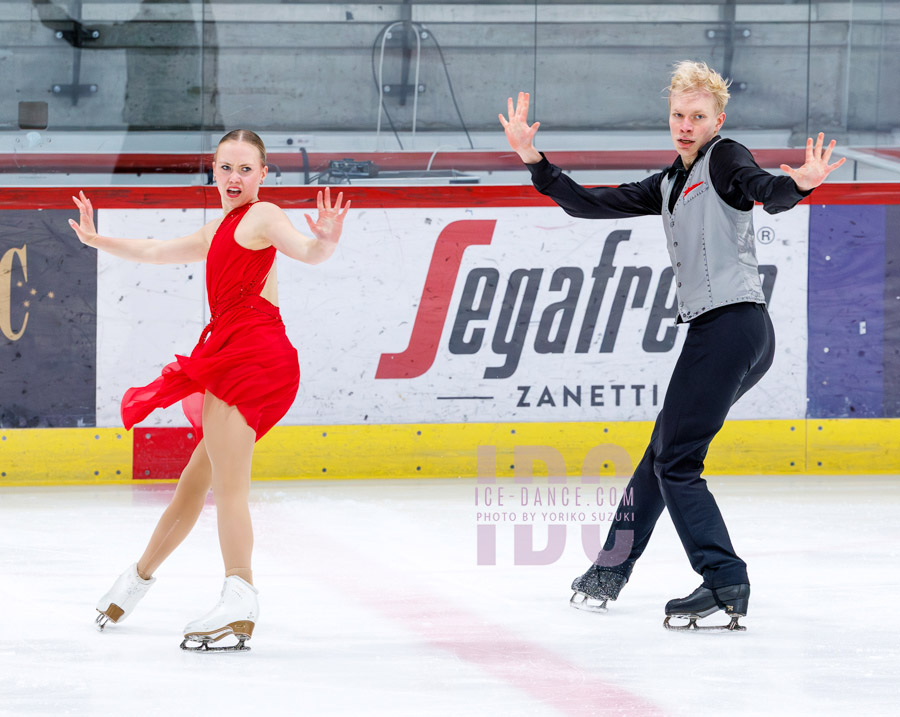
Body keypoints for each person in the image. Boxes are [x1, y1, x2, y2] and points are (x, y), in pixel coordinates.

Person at [499, 61, 844, 630]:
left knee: (678, 462)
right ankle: (610, 568)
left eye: (698, 116)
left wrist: (798, 185)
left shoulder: (725, 157)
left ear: (718, 120)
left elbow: (763, 189)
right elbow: (591, 204)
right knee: (662, 453)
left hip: (732, 328)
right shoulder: (667, 183)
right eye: (679, 115)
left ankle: (724, 578)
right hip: (732, 333)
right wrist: (534, 161)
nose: (686, 125)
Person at [69, 129, 350, 650]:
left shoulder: (263, 216)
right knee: (196, 483)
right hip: (240, 357)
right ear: (213, 172)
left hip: (250, 358)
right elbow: (155, 250)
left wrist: (325, 242)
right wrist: (96, 240)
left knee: (229, 487)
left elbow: (307, 250)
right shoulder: (218, 227)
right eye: (226, 168)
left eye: (246, 169)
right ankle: (135, 580)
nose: (235, 178)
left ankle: (240, 594)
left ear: (263, 175)